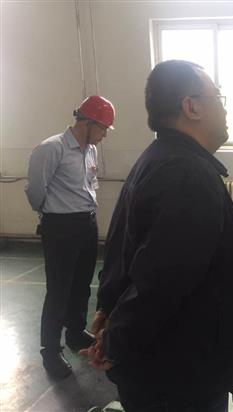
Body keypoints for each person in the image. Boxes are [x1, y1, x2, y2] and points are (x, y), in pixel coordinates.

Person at [80, 60, 233, 412]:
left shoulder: (158, 159)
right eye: (218, 97)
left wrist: (107, 309)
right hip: (179, 377)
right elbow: (161, 281)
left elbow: (124, 250)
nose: (224, 109)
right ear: (191, 107)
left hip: (162, 371)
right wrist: (115, 340)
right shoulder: (188, 175)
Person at [24, 95, 115, 379]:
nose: (103, 136)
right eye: (102, 129)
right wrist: (53, 215)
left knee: (81, 285)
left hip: (87, 223)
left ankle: (75, 332)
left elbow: (91, 183)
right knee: (58, 290)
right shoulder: (52, 149)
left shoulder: (91, 150)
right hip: (60, 227)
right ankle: (50, 350)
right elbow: (35, 191)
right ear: (87, 123)